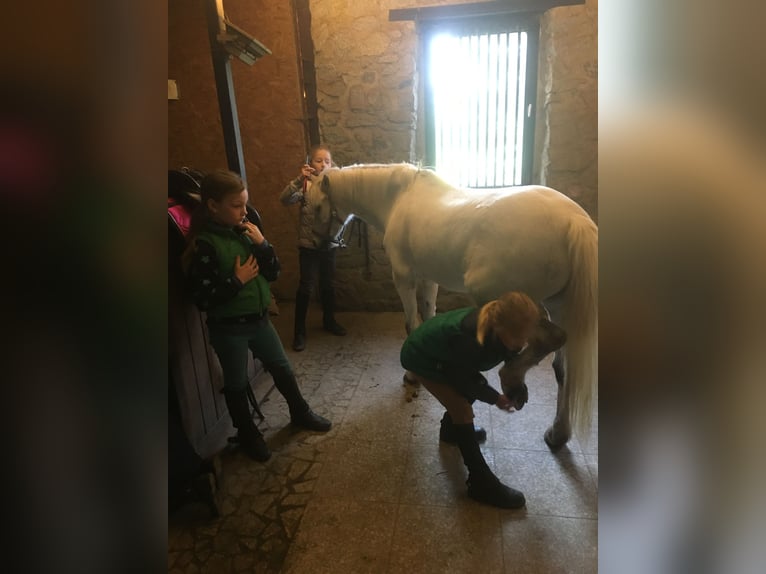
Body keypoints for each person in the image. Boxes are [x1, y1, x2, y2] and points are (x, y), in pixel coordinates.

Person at [185, 169, 331, 462]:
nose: (243, 212)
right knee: (237, 383)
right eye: (236, 206)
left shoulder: (246, 232)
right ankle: (248, 433)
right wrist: (236, 281)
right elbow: (202, 298)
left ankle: (300, 411)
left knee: (282, 367)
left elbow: (273, 273)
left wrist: (263, 245)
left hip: (259, 320)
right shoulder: (205, 245)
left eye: (245, 204)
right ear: (213, 206)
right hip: (229, 330)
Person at [400, 291, 540, 509]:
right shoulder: (470, 340)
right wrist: (496, 398)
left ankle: (450, 432)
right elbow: (463, 379)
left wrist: (517, 386)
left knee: (469, 391)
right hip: (423, 356)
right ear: (500, 328)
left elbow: (507, 354)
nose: (522, 343)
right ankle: (480, 483)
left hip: (448, 357)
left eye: (526, 338)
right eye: (518, 338)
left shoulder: (499, 325)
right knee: (462, 408)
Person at [280, 144, 346, 352]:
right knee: (306, 287)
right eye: (319, 160)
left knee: (328, 285)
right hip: (309, 245)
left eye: (327, 161)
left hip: (329, 244)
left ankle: (329, 320)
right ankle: (299, 331)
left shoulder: (335, 185)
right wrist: (299, 179)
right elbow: (285, 199)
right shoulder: (305, 185)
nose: (323, 164)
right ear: (310, 163)